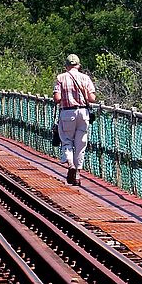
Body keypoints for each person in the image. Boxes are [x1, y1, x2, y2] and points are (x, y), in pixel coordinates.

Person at [53, 53, 96, 186]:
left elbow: (57, 99)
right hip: (83, 113)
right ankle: (77, 174)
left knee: (67, 141)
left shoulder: (60, 78)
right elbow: (92, 98)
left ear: (66, 66)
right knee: (80, 144)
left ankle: (70, 164)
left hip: (67, 113)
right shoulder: (85, 78)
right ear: (78, 65)